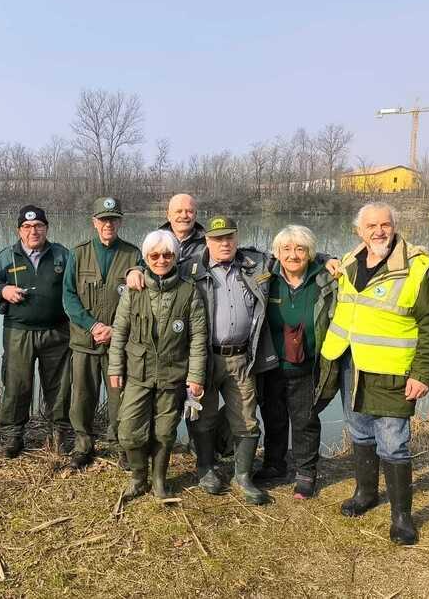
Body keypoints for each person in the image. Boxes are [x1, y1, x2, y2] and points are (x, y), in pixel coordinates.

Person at [319, 202, 429, 545]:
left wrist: (423, 373)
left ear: (395, 226)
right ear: (358, 231)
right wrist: (325, 259)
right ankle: (365, 493)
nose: (379, 231)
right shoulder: (350, 260)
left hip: (393, 370)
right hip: (352, 364)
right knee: (360, 433)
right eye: (371, 226)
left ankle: (402, 517)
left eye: (385, 225)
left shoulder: (419, 266)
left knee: (393, 443)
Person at [108, 230, 208, 499]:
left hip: (172, 372)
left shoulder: (189, 291)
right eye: (154, 255)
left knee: (164, 432)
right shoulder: (134, 290)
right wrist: (115, 367)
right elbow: (119, 331)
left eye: (167, 255)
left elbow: (198, 337)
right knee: (128, 430)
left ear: (175, 257)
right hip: (138, 372)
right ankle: (138, 477)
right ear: (146, 258)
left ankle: (159, 479)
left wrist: (196, 375)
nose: (161, 260)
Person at [188, 215, 277, 505]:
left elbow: (294, 255)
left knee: (247, 420)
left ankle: (243, 476)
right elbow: (155, 266)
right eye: (217, 238)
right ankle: (206, 468)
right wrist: (134, 271)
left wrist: (326, 258)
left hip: (242, 359)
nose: (224, 243)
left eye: (229, 237)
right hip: (204, 358)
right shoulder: (191, 270)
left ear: (237, 238)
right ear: (207, 241)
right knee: (202, 415)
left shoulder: (256, 265)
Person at [255, 225, 336, 499]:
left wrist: (328, 259)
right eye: (286, 249)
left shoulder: (325, 279)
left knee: (305, 420)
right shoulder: (266, 278)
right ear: (277, 253)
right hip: (272, 365)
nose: (293, 255)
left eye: (300, 249)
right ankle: (274, 464)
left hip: (308, 366)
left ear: (311, 254)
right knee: (273, 418)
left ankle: (306, 472)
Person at [0, 205, 72, 458]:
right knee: (17, 384)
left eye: (38, 226)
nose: (33, 231)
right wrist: (3, 290)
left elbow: (76, 286)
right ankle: (14, 435)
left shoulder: (62, 255)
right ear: (19, 230)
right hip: (18, 332)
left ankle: (60, 432)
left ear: (46, 228)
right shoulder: (6, 256)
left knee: (59, 386)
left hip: (56, 331)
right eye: (27, 227)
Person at [63, 196, 141, 470]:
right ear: (94, 222)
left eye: (113, 219)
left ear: (120, 222)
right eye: (103, 219)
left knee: (120, 397)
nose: (109, 224)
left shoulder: (133, 255)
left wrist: (115, 330)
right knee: (82, 396)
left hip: (118, 343)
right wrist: (93, 325)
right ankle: (83, 445)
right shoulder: (78, 253)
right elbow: (69, 297)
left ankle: (121, 446)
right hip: (85, 341)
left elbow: (139, 301)